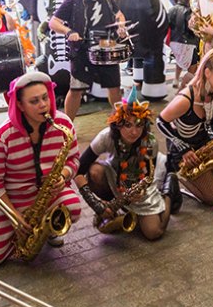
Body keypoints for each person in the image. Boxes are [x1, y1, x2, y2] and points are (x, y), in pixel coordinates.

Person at [0, 71, 83, 265]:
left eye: (45, 98)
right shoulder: (4, 135)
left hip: (47, 196)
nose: (43, 105)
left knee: (73, 207)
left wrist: (64, 175)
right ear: (19, 105)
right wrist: (13, 217)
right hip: (11, 200)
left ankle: (47, 230)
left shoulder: (63, 125)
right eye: (34, 101)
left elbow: (74, 159)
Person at [76, 88, 180, 239]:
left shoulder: (150, 142)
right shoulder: (106, 137)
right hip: (116, 179)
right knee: (94, 172)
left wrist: (140, 192)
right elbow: (78, 170)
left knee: (154, 233)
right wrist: (97, 206)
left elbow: (149, 176)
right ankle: (115, 207)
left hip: (141, 187)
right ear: (118, 125)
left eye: (139, 125)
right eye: (128, 125)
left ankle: (168, 193)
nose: (134, 132)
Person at [156, 48, 213, 206]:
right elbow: (160, 122)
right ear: (207, 73)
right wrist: (184, 149)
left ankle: (206, 173)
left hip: (202, 145)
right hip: (185, 155)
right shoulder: (186, 98)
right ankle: (181, 175)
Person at [49, 0, 127, 120]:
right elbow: (53, 22)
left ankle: (119, 123)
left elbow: (119, 15)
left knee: (114, 88)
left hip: (107, 48)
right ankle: (67, 127)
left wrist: (121, 26)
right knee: (77, 89)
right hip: (82, 52)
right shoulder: (73, 0)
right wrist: (68, 31)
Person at [167, 0, 198, 88]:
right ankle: (185, 87)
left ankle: (176, 80)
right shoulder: (189, 11)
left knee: (179, 60)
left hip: (174, 42)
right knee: (193, 65)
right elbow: (192, 28)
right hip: (188, 43)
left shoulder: (171, 10)